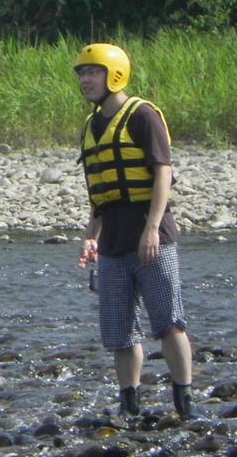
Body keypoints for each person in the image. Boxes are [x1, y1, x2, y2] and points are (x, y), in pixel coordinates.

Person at [73, 43, 195, 419]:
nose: (86, 80)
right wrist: (92, 234)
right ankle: (130, 403)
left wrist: (153, 228)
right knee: (118, 331)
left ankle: (184, 403)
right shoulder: (92, 127)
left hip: (152, 234)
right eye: (82, 73)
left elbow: (163, 172)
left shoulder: (142, 115)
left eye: (93, 72)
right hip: (113, 241)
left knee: (168, 321)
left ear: (114, 74)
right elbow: (102, 192)